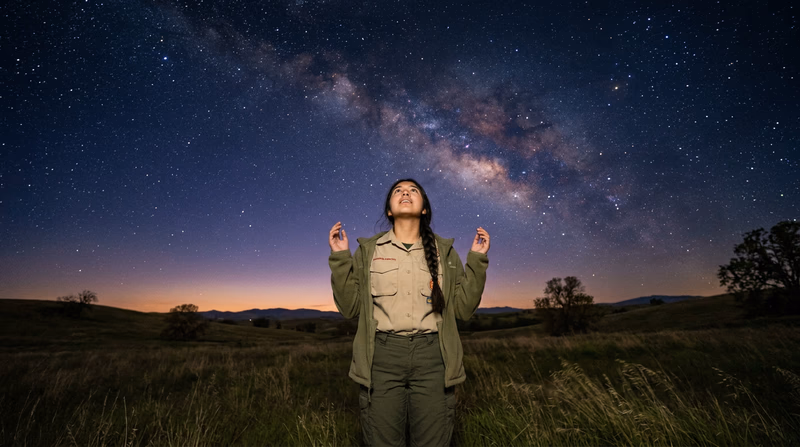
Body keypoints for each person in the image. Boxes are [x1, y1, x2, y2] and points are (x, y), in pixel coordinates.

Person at [328, 178, 490, 446]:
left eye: (413, 190)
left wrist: (477, 261)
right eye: (398, 191)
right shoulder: (368, 251)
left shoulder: (445, 253)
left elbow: (463, 310)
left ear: (424, 208)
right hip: (381, 359)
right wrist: (340, 258)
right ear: (389, 210)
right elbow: (349, 308)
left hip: (433, 358)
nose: (405, 192)